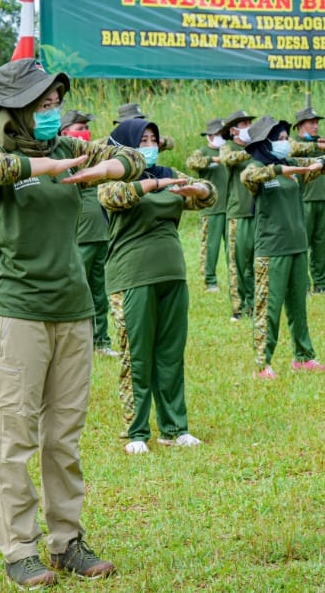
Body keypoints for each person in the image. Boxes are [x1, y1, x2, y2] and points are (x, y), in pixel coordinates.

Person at [0, 58, 145, 588]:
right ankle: (20, 550)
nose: (52, 113)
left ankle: (67, 543)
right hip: (16, 315)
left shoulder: (69, 148)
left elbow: (133, 158)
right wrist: (50, 169)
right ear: (15, 112)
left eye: (55, 104)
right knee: (15, 440)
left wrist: (106, 168)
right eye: (41, 106)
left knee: (63, 437)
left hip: (73, 312)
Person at [99, 118, 215, 453]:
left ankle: (174, 428)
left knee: (170, 353)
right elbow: (114, 198)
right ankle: (136, 433)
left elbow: (208, 195)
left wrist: (201, 189)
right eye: (141, 140)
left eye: (153, 139)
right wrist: (154, 185)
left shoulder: (167, 173)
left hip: (172, 274)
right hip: (132, 276)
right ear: (124, 147)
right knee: (137, 356)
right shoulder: (114, 176)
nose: (149, 146)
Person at [241, 116, 325, 379]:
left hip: (297, 246)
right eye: (279, 139)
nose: (285, 143)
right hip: (272, 248)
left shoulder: (291, 164)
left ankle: (303, 357)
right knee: (269, 307)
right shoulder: (257, 168)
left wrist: (320, 161)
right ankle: (262, 362)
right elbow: (249, 177)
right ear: (265, 143)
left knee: (297, 306)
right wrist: (282, 171)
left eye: (285, 138)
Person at [61, 109, 118, 357]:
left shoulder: (95, 154)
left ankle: (101, 341)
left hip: (100, 233)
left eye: (86, 127)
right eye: (79, 127)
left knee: (99, 293)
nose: (84, 131)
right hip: (78, 236)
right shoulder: (61, 157)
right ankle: (72, 344)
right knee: (76, 291)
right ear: (64, 133)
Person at [291, 106, 325, 296]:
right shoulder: (294, 144)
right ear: (300, 125)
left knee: (321, 243)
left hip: (320, 200)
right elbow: (292, 148)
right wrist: (316, 147)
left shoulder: (319, 142)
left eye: (317, 122)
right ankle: (303, 284)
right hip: (303, 200)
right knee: (302, 244)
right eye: (311, 123)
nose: (315, 126)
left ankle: (321, 283)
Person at [218, 110, 257, 321]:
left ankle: (254, 304)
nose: (249, 126)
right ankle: (238, 307)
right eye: (244, 123)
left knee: (254, 261)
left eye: (251, 122)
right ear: (233, 130)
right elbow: (228, 159)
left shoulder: (257, 148)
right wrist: (253, 151)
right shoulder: (229, 148)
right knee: (237, 262)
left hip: (257, 211)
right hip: (237, 212)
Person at [185, 118, 228, 293]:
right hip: (212, 209)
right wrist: (215, 159)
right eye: (218, 134)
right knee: (210, 247)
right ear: (210, 136)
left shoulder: (229, 152)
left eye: (223, 134)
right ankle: (210, 281)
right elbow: (192, 163)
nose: (221, 138)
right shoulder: (202, 152)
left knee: (234, 248)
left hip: (231, 207)